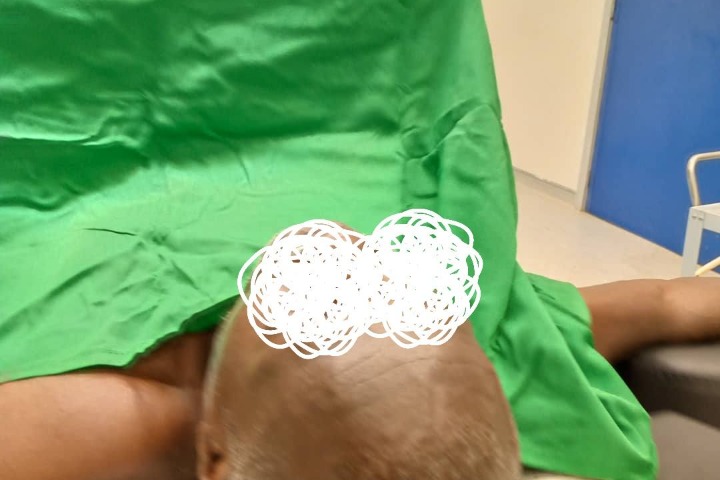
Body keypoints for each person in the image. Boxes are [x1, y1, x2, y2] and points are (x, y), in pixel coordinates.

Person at [1, 0, 719, 479]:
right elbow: (666, 302)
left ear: (213, 452)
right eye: (387, 267)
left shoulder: (142, 417)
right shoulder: (492, 356)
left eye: (320, 278)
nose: (344, 234)